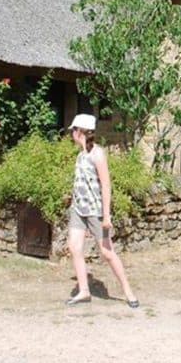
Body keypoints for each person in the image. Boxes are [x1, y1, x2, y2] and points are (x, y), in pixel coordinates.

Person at [65, 113, 140, 307]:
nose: (72, 133)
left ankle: (128, 292)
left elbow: (106, 185)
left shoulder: (97, 153)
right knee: (74, 247)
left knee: (107, 253)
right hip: (78, 209)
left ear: (81, 131)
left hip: (95, 211)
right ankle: (83, 291)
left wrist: (106, 215)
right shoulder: (81, 155)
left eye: (74, 130)